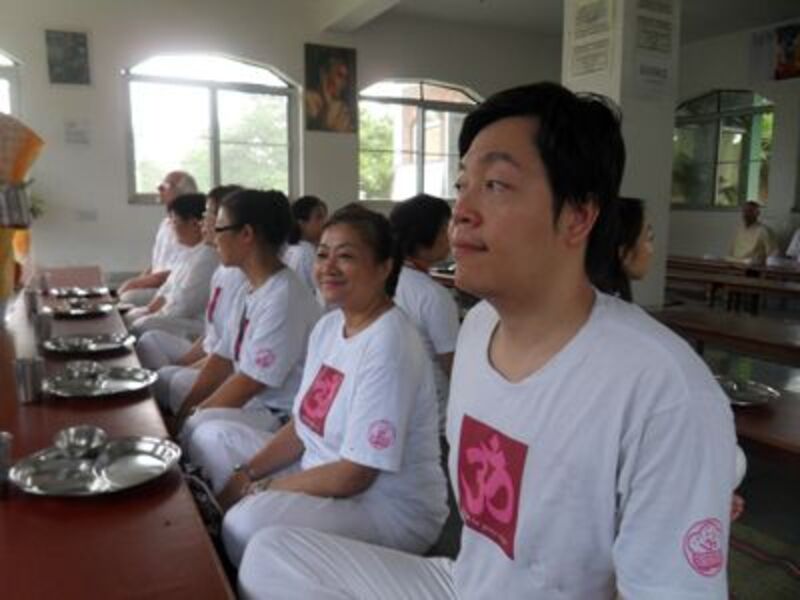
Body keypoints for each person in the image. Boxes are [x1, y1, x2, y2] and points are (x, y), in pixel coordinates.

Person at [236, 82, 737, 600]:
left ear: (578, 216)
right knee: (269, 556)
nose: (461, 210)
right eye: (462, 185)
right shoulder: (477, 329)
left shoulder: (661, 389)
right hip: (465, 583)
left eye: (496, 184)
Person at [187, 206, 448, 569]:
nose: (328, 267)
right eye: (323, 254)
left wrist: (263, 489)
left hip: (382, 506)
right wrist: (245, 474)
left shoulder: (390, 342)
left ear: (384, 267)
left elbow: (355, 475)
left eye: (346, 257)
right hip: (319, 468)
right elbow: (302, 426)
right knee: (212, 435)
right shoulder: (328, 327)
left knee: (246, 522)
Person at [175, 189, 320, 442]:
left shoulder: (284, 296)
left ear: (246, 234)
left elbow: (250, 382)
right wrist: (184, 414)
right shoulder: (249, 287)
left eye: (219, 228)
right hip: (256, 404)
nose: (213, 236)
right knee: (184, 401)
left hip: (279, 416)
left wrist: (190, 419)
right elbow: (222, 358)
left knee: (205, 431)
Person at [136, 185, 246, 415]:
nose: (203, 222)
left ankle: (168, 416)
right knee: (154, 351)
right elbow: (215, 335)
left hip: (232, 371)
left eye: (209, 215)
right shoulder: (222, 268)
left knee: (169, 379)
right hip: (211, 354)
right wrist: (184, 365)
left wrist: (188, 411)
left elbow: (228, 356)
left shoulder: (238, 275)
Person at [390, 194, 460, 431]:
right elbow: (453, 366)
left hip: (398, 409)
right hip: (433, 417)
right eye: (445, 228)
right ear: (425, 235)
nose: (451, 235)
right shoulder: (433, 295)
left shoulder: (385, 279)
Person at [125, 193, 219, 338]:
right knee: (130, 316)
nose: (172, 228)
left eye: (175, 222)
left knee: (143, 324)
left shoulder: (208, 257)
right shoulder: (190, 251)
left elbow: (185, 305)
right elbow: (167, 288)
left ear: (194, 224)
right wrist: (149, 310)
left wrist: (155, 315)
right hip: (176, 314)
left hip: (195, 323)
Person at [118, 170, 198, 305]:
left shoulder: (187, 227)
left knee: (128, 297)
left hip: (171, 285)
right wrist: (138, 280)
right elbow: (156, 264)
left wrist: (135, 283)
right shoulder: (165, 223)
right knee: (123, 292)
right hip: (157, 282)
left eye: (166, 185)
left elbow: (176, 272)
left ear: (183, 193)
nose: (159, 188)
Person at [283, 195, 328, 292]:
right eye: (319, 217)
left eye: (325, 217)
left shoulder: (291, 248)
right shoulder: (306, 252)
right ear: (302, 223)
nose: (325, 222)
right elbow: (321, 291)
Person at [305, 54, 354, 133]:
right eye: (339, 75)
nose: (344, 83)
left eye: (346, 78)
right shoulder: (309, 99)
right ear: (324, 74)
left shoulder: (340, 107)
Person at [728, 200, 777, 264]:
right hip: (734, 263)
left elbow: (773, 253)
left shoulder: (764, 231)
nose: (746, 214)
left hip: (752, 266)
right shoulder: (738, 229)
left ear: (757, 213)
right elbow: (731, 250)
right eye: (744, 211)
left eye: (750, 211)